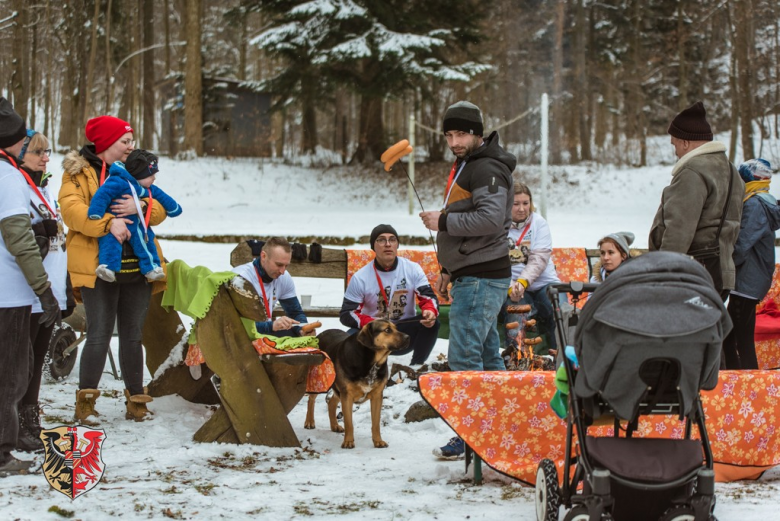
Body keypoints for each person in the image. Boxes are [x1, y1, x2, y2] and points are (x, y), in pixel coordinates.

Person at [419, 101, 515, 460]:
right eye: (448, 135)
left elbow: (490, 220)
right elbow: (471, 222)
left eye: (461, 134)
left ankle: (471, 435)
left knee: (464, 358)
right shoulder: (469, 164)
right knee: (489, 358)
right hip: (471, 274)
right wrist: (448, 269)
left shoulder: (485, 167)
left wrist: (442, 222)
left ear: (477, 133)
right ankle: (502, 428)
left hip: (480, 278)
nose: (454, 141)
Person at [59, 115, 169, 423]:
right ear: (106, 143)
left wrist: (142, 207)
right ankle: (86, 403)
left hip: (138, 267)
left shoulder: (135, 165)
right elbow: (72, 212)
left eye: (131, 141)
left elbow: (158, 204)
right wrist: (110, 222)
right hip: (99, 267)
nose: (131, 146)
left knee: (133, 335)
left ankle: (136, 400)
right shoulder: (77, 173)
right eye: (125, 141)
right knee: (99, 334)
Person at [0, 98, 59, 475]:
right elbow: (18, 239)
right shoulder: (6, 178)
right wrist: (43, 290)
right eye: (24, 141)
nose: (31, 149)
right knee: (10, 374)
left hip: (16, 293)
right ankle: (2, 452)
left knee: (16, 372)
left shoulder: (10, 174)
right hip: (10, 293)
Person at [649, 100, 744, 299]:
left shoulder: (692, 171)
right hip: (722, 270)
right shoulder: (732, 171)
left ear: (685, 142)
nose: (675, 151)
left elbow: (679, 229)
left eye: (674, 144)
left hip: (693, 272)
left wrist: (664, 272)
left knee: (679, 329)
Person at [16, 130, 70, 453]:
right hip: (27, 291)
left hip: (52, 287)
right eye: (37, 151)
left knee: (37, 361)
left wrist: (65, 290)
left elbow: (60, 239)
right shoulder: (16, 185)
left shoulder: (46, 187)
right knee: (22, 361)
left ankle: (30, 418)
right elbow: (17, 236)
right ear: (20, 153)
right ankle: (15, 421)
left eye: (47, 151)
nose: (44, 157)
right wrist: (40, 232)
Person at [340, 224, 440, 367]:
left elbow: (428, 297)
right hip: (374, 334)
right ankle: (362, 371)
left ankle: (417, 367)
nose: (388, 244)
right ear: (373, 246)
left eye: (392, 240)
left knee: (432, 323)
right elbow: (346, 314)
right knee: (349, 338)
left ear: (397, 244)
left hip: (402, 333)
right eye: (381, 240)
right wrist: (373, 324)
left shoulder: (413, 269)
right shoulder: (360, 277)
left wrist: (430, 310)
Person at [88, 149, 182, 283]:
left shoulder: (147, 189)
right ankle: (108, 268)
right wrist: (96, 212)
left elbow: (163, 198)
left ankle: (151, 268)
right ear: (139, 174)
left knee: (146, 241)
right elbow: (102, 195)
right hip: (114, 222)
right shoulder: (117, 182)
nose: (154, 178)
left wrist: (174, 208)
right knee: (109, 242)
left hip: (136, 224)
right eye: (151, 175)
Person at [723, 159, 780, 369]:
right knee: (728, 335)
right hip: (749, 280)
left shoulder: (755, 204)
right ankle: (734, 379)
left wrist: (723, 265)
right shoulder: (764, 200)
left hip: (748, 282)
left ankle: (748, 386)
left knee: (740, 339)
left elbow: (741, 245)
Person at [503, 183, 561, 352]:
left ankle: (562, 358)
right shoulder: (497, 225)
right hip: (513, 287)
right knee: (516, 311)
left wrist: (523, 281)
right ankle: (516, 360)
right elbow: (494, 261)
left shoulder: (539, 223)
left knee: (558, 308)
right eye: (516, 204)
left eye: (526, 203)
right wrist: (511, 286)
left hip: (544, 283)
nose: (522, 209)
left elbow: (539, 259)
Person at [232, 236, 309, 336]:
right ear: (263, 256)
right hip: (241, 337)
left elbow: (295, 313)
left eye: (286, 266)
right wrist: (271, 326)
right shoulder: (241, 278)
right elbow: (236, 323)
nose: (282, 271)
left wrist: (303, 329)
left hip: (266, 333)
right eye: (279, 265)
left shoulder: (284, 277)